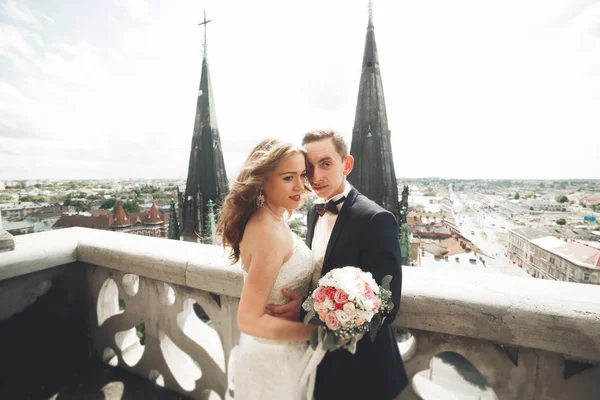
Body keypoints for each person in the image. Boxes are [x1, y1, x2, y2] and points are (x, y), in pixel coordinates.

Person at [268, 129, 409, 400]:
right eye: (309, 167)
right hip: (322, 358)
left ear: (347, 164)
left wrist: (307, 311)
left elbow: (387, 307)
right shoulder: (313, 211)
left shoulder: (376, 220)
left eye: (326, 163)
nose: (316, 176)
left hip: (364, 369)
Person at [216, 139, 316, 400]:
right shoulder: (267, 231)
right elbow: (248, 320)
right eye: (288, 178)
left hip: (281, 351)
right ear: (263, 181)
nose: (300, 186)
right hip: (274, 359)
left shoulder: (273, 216)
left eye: (302, 175)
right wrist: (319, 332)